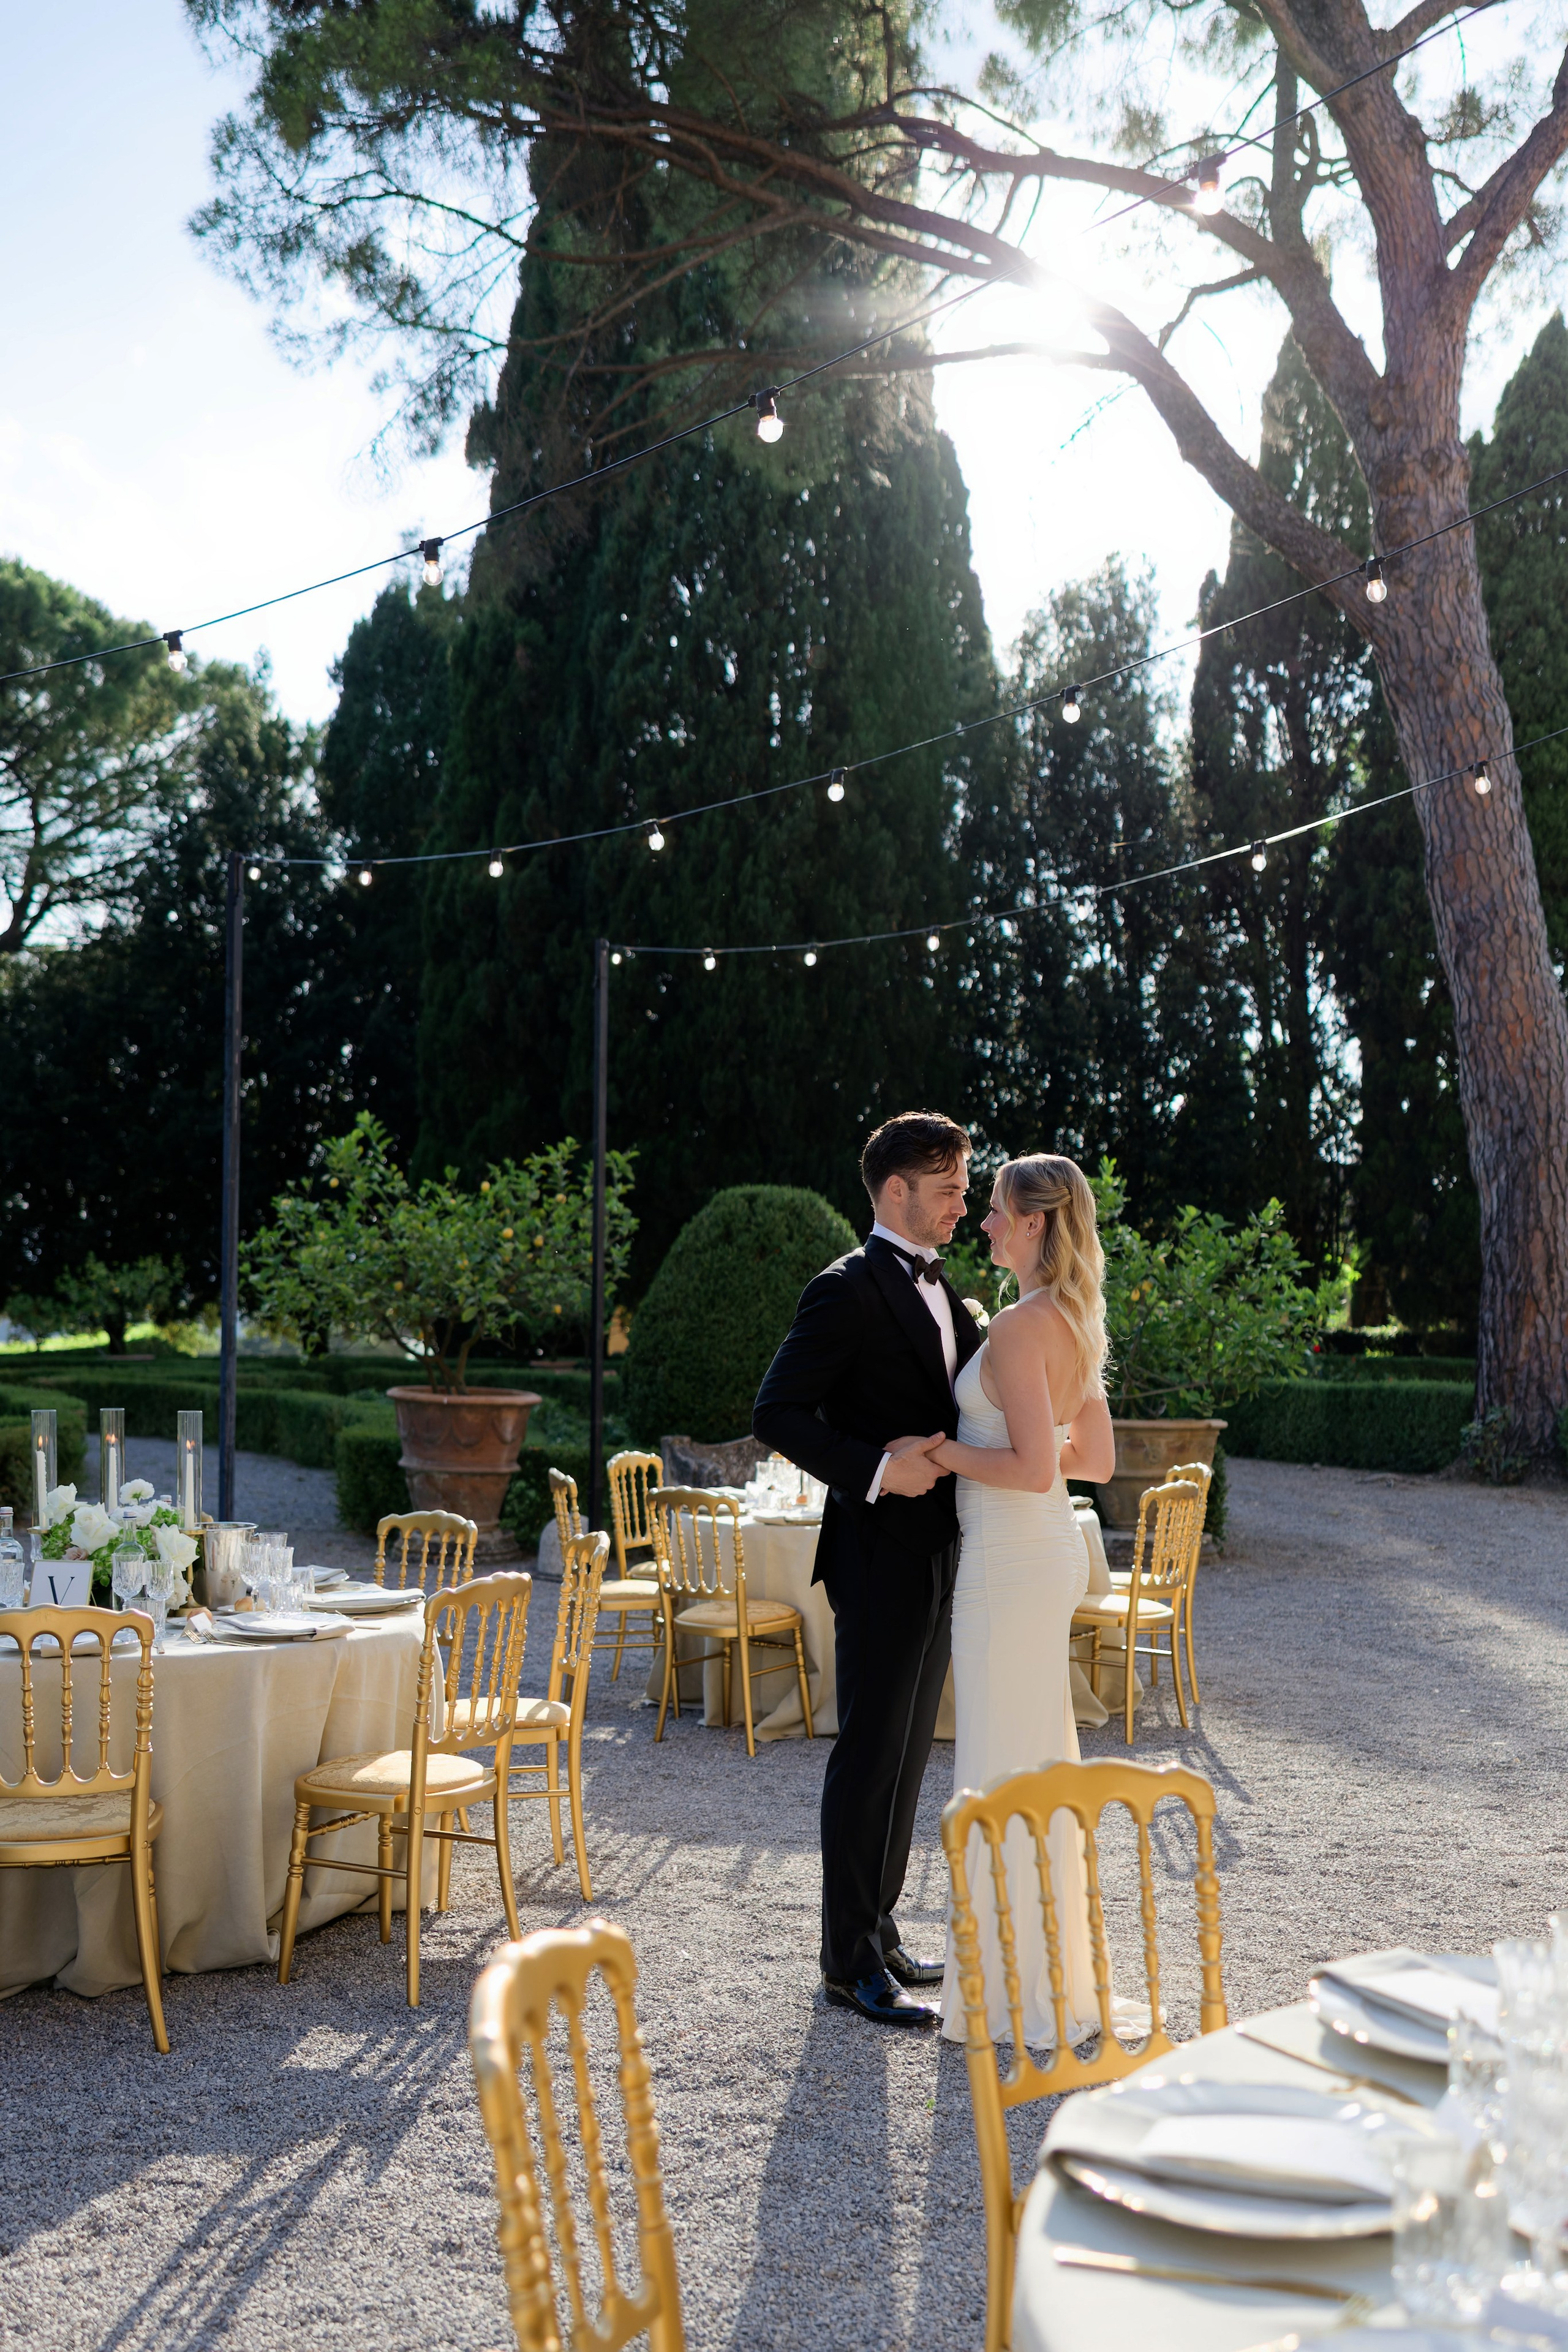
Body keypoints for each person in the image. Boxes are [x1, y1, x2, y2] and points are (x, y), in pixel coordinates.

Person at [753, 1111, 982, 2026]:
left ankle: (880, 1931)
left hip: (942, 1551)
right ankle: (846, 1962)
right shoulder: (843, 1290)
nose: (964, 1204)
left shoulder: (943, 1285)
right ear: (898, 1192)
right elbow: (778, 1412)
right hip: (877, 1552)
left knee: (911, 1752)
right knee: (867, 1756)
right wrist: (882, 1469)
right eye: (951, 1188)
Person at [924, 1153, 1118, 2047]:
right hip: (1045, 1552)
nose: (987, 1224)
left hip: (1008, 1559)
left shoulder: (1016, 1324)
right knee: (1037, 1752)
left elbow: (1039, 1467)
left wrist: (943, 1451)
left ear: (1035, 1224)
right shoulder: (1074, 1317)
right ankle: (1050, 1977)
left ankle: (1009, 1991)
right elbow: (1095, 1462)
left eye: (998, 1211)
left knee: (1003, 1758)